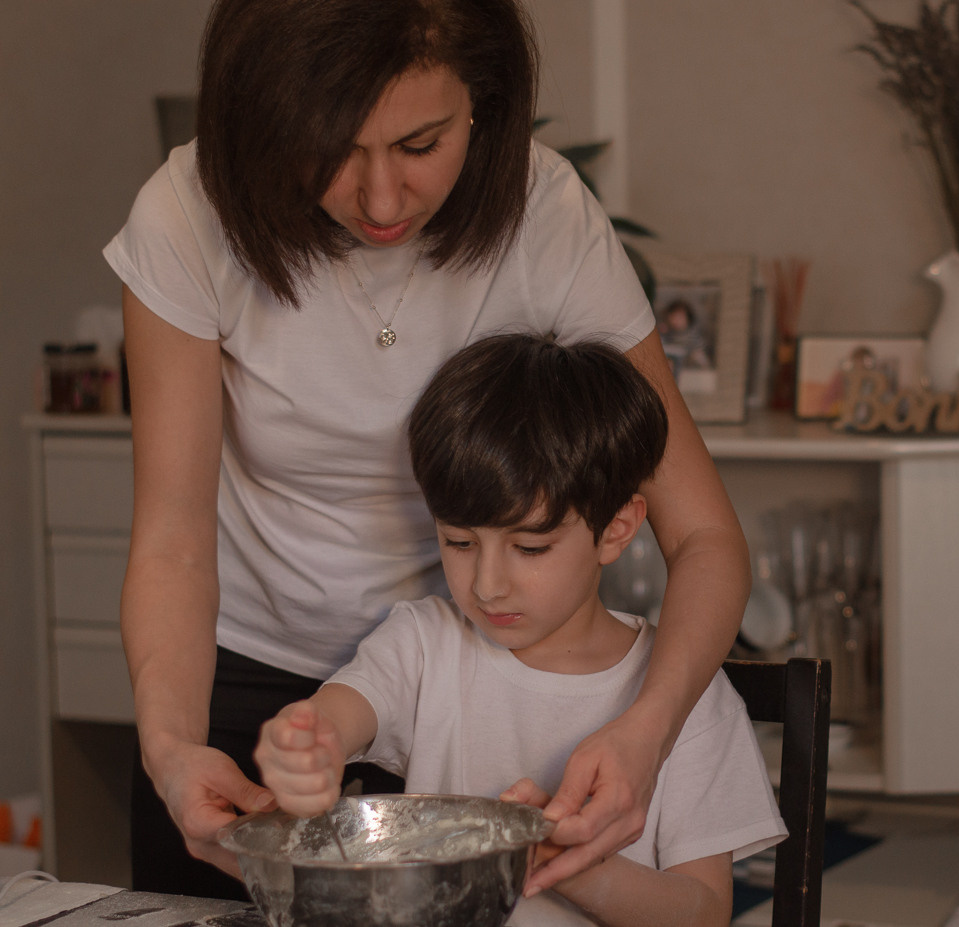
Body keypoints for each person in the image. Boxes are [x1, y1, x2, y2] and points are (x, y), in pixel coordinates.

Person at [102, 0, 750, 900]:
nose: (380, 199)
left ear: (483, 104)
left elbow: (704, 536)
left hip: (470, 685)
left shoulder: (545, 218)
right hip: (249, 692)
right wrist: (172, 747)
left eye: (420, 145)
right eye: (332, 148)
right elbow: (173, 542)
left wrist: (649, 727)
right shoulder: (188, 213)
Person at [253, 334, 785, 926]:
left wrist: (566, 862)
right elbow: (338, 715)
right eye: (459, 542)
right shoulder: (424, 644)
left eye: (530, 548)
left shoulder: (688, 693)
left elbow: (704, 913)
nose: (487, 586)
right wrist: (309, 746)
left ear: (616, 529)